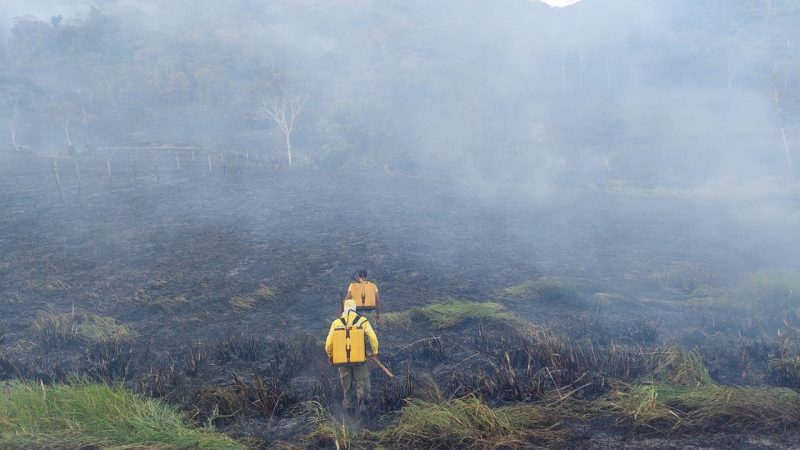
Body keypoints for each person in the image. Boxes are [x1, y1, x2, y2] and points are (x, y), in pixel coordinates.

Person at [325, 299, 379, 419]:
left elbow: (328, 343)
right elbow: (373, 337)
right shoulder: (363, 321)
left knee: (347, 386)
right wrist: (375, 352)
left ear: (344, 309)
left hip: (342, 361)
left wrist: (330, 355)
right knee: (363, 382)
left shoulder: (336, 323)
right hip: (359, 359)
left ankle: (350, 410)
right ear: (355, 309)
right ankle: (363, 404)